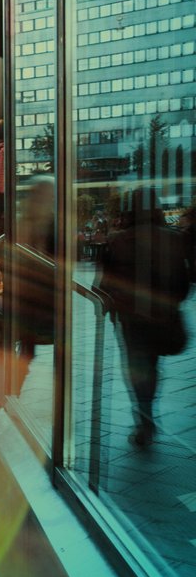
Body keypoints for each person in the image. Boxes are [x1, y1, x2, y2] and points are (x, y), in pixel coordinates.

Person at [98, 190, 192, 448]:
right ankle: (148, 414)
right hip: (162, 316)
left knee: (138, 368)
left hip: (131, 318)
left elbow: (103, 284)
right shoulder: (174, 239)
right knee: (152, 366)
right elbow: (184, 284)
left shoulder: (117, 240)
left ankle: (144, 419)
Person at [13, 177, 57, 393]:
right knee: (28, 347)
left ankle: (15, 390)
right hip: (32, 294)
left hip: (40, 293)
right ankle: (14, 390)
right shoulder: (28, 222)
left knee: (30, 346)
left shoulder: (51, 223)